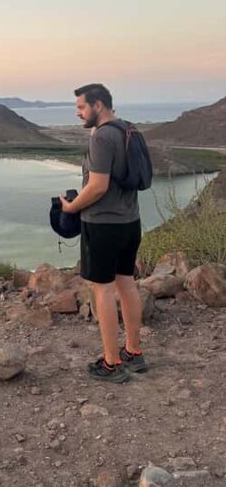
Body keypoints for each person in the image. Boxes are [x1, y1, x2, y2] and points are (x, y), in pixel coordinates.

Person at [60, 84, 147, 383]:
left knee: (103, 290)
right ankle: (133, 352)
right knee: (127, 284)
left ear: (98, 105)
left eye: (81, 107)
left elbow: (97, 186)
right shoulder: (128, 130)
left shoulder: (101, 137)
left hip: (102, 225)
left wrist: (71, 207)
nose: (78, 113)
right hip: (130, 222)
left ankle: (111, 362)